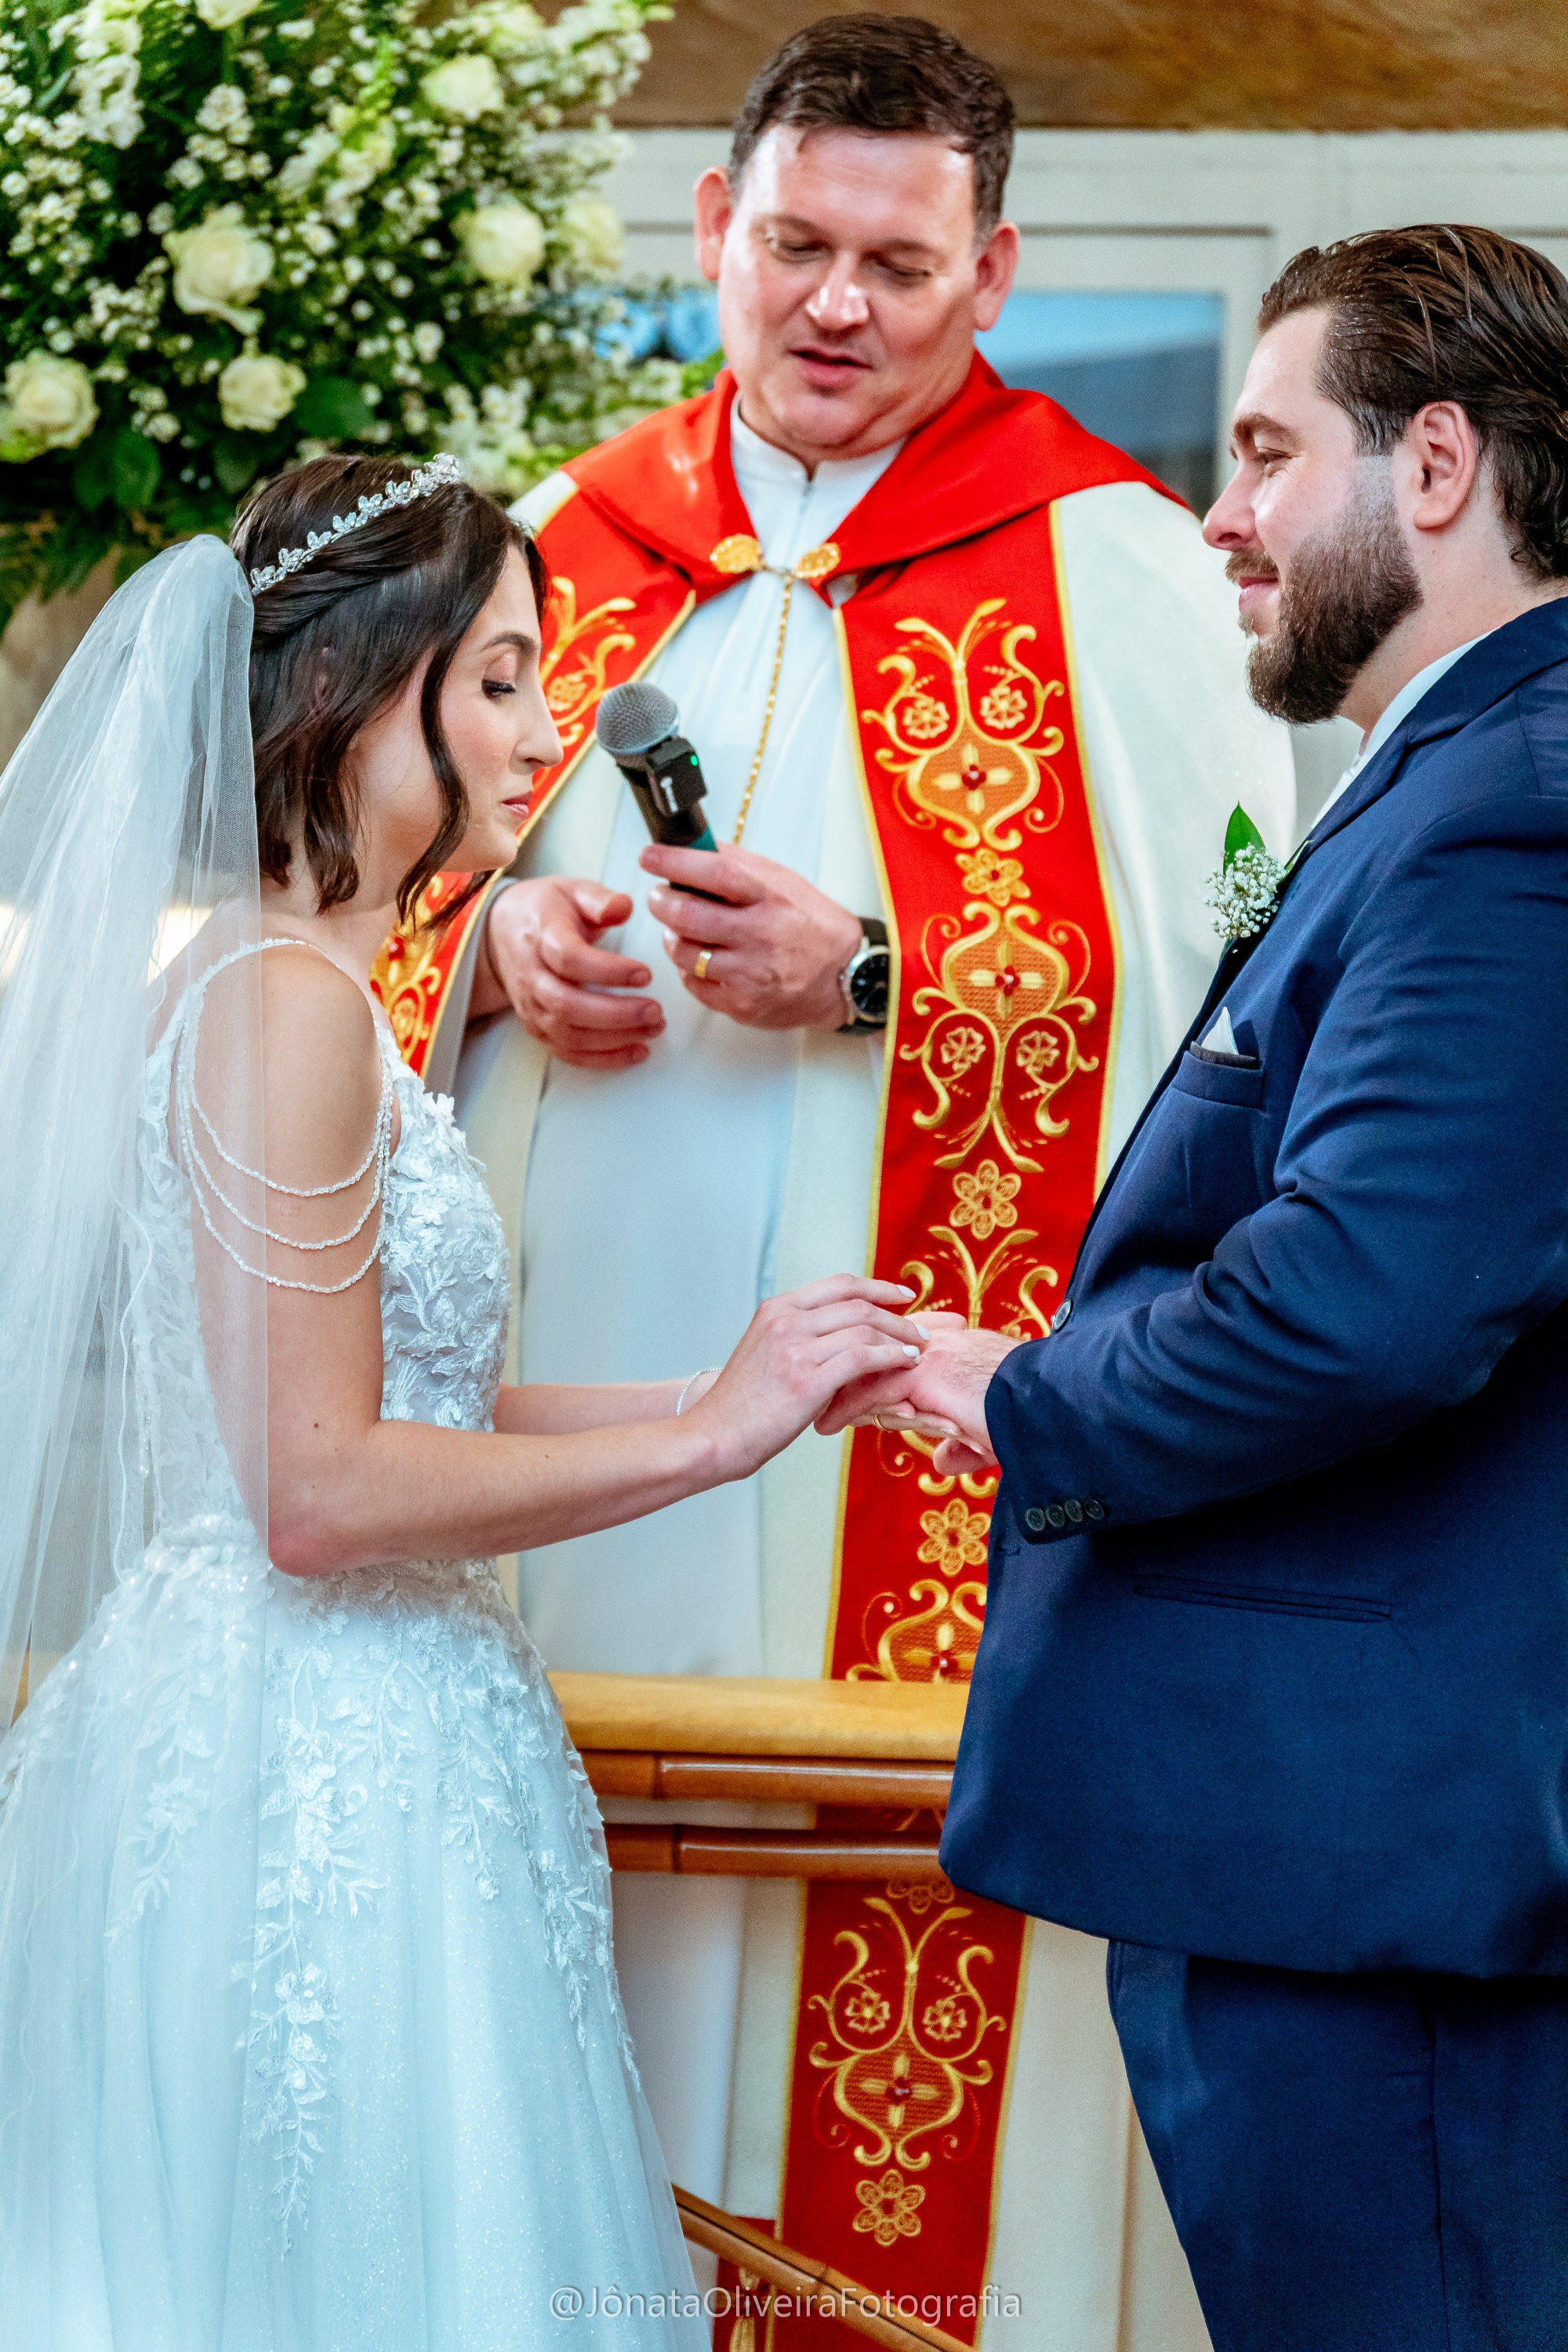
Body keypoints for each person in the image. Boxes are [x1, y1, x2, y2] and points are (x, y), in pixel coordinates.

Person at [370, 16, 1291, 2323]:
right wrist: (488, 956)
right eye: (793, 242)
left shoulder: (1123, 570)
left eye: (897, 260)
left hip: (915, 1482)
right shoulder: (558, 555)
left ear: (994, 271)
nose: (835, 304)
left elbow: (1245, 996)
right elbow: (335, 910)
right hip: (565, 1480)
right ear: (714, 231)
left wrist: (880, 972)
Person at [0, 452, 925, 2350]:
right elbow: (316, 1491)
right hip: (309, 1755)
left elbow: (418, 1389)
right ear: (358, 686)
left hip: (360, 1718)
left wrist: (745, 1376)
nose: (542, 728)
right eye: (498, 676)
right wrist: (711, 1441)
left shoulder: (306, 989)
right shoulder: (281, 1008)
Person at [823, 223, 1568, 2352]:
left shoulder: (1513, 804)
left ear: (1437, 464)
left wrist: (1025, 1393)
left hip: (1379, 1876)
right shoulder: (1457, 774)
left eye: (1263, 453)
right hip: (1359, 1852)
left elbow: (1373, 1296)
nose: (1221, 518)